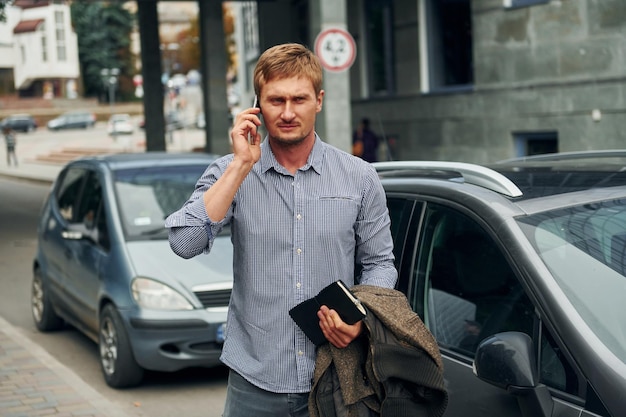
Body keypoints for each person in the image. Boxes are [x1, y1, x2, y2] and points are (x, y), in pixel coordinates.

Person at [165, 43, 397, 417]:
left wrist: (361, 320)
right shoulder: (229, 171)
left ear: (318, 101)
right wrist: (241, 166)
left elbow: (380, 264)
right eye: (275, 101)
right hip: (254, 384)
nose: (288, 113)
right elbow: (184, 242)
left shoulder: (359, 177)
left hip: (336, 380)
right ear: (256, 107)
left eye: (299, 99)